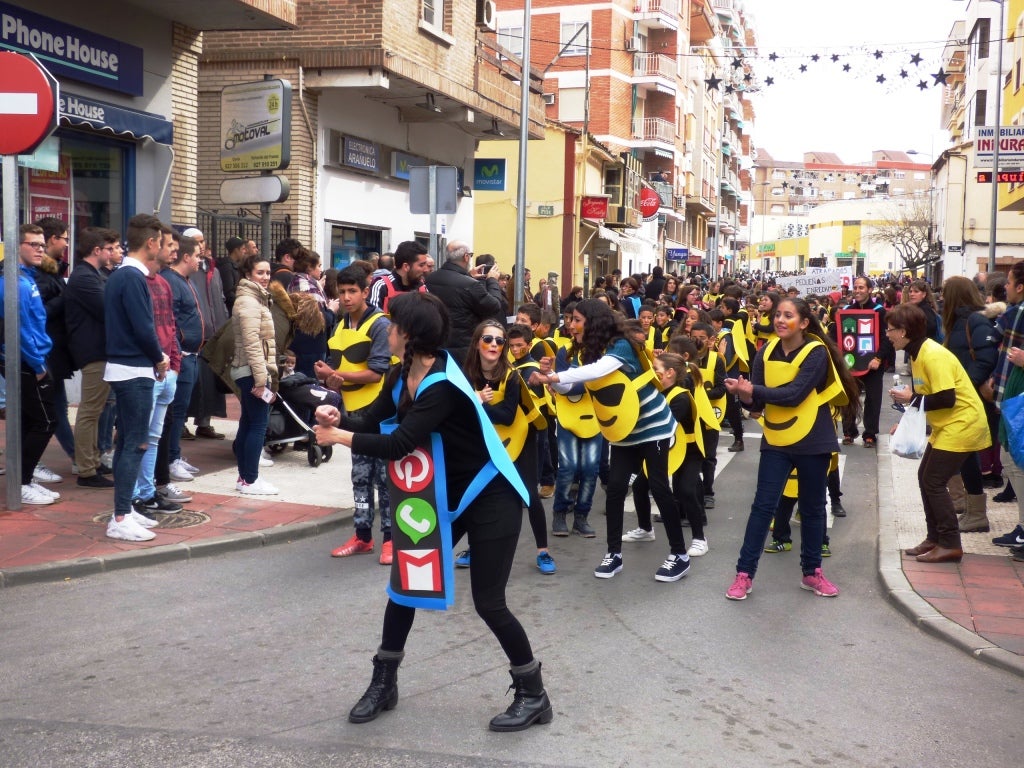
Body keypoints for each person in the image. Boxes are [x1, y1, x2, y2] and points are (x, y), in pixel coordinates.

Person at [313, 292, 552, 732]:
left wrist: (338, 439)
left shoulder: (442, 383)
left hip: (491, 494)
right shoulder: (403, 371)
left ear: (409, 333)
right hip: (445, 494)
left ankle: (534, 694)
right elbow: (374, 420)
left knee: (489, 602)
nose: (387, 330)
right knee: (404, 582)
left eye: (393, 325)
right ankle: (384, 682)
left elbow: (399, 444)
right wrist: (339, 416)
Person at [535, 299, 690, 582]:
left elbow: (597, 371)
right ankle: (614, 554)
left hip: (653, 426)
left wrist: (555, 374)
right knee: (616, 488)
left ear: (593, 322)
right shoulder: (588, 352)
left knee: (658, 487)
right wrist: (551, 378)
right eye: (570, 319)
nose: (571, 325)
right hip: (622, 431)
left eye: (577, 319)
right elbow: (571, 385)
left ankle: (679, 555)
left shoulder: (620, 345)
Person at [723, 297, 859, 600]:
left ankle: (812, 573)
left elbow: (795, 394)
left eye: (788, 315)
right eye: (778, 316)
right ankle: (743, 575)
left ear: (804, 323)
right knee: (762, 507)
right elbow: (757, 405)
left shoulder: (816, 352)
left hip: (814, 438)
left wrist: (752, 390)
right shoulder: (765, 351)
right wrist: (745, 396)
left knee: (812, 508)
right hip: (777, 439)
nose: (780, 320)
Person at [889, 303, 992, 563]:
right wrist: (908, 417)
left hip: (963, 423)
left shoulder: (932, 354)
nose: (887, 335)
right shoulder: (916, 353)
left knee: (933, 481)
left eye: (890, 330)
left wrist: (911, 399)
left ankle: (950, 543)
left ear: (903, 331)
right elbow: (927, 397)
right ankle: (934, 538)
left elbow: (945, 398)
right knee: (925, 477)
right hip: (948, 425)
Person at [457, 321, 556, 574]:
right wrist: (475, 402)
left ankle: (543, 551)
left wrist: (479, 405)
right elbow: (459, 411)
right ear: (477, 342)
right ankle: (474, 546)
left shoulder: (511, 375)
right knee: (478, 492)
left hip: (520, 436)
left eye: (499, 341)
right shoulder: (466, 373)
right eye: (488, 339)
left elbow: (508, 415)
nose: (494, 345)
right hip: (486, 438)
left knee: (529, 494)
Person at [103, 215, 171, 540]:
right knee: (136, 442)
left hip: (126, 367)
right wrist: (159, 357)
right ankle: (119, 517)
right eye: (162, 242)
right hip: (134, 369)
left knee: (127, 442)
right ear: (152, 243)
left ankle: (125, 509)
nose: (164, 248)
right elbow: (143, 326)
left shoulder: (122, 275)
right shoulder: (132, 278)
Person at [319, 266, 394, 563]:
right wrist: (328, 376)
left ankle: (391, 538)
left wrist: (335, 374)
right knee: (360, 476)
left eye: (353, 292)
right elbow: (333, 365)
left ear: (365, 292)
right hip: (353, 412)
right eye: (342, 292)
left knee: (385, 479)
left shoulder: (380, 325)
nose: (347, 298)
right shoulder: (340, 324)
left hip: (379, 413)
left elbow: (377, 373)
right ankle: (363, 536)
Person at [0, 224, 59, 505]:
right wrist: (37, 365)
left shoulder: (27, 278)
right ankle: (21, 482)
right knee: (46, 421)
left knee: (31, 421)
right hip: (26, 361)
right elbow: (19, 328)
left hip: (34, 357)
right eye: (33, 244)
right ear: (17, 245)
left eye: (42, 245)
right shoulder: (14, 282)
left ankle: (23, 478)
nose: (40, 250)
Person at [942, 276, 1001, 531]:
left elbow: (987, 358)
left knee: (968, 455)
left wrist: (965, 385)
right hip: (965, 397)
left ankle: (977, 515)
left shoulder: (975, 320)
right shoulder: (960, 321)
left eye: (946, 293)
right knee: (965, 455)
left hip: (972, 398)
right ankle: (971, 510)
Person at [66, 227, 118, 488]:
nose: (113, 253)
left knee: (97, 411)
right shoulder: (83, 277)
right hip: (93, 352)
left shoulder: (94, 275)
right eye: (108, 249)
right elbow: (107, 308)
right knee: (89, 411)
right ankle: (86, 470)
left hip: (101, 351)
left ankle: (94, 461)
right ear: (96, 250)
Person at [231, 254, 280, 495]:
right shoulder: (250, 302)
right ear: (248, 274)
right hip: (252, 371)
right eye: (260, 272)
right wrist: (262, 380)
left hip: (251, 370)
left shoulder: (255, 299)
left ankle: (244, 478)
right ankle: (250, 479)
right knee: (258, 425)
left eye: (268, 273)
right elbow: (252, 343)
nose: (265, 277)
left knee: (249, 423)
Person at [423, 240, 505, 365]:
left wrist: (468, 276)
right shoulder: (470, 285)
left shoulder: (430, 278)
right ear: (466, 257)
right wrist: (492, 280)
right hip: (463, 350)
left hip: (435, 346)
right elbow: (494, 306)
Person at [838, 276, 893, 448]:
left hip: (873, 364)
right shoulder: (846, 310)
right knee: (848, 398)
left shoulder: (880, 311)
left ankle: (870, 434)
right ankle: (848, 431)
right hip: (851, 363)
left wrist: (878, 358)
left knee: (873, 399)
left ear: (869, 290)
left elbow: (886, 338)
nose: (857, 290)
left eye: (861, 287)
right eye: (855, 287)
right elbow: (839, 336)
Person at [368, 241, 428, 314]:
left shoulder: (422, 288)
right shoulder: (381, 286)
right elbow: (373, 320)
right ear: (406, 266)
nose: (425, 269)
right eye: (421, 265)